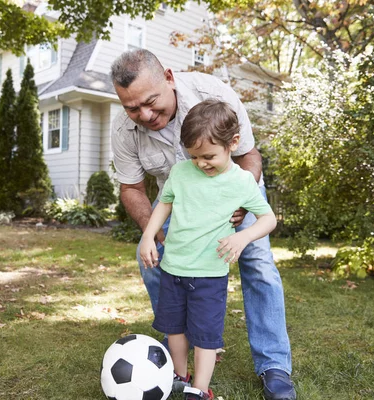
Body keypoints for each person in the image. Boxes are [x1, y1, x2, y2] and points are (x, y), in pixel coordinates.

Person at [110, 49, 296, 400]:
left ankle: (274, 365)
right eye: (132, 108)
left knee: (258, 266)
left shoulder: (214, 94)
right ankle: (179, 343)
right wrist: (157, 234)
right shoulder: (123, 128)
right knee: (149, 259)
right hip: (180, 202)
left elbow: (249, 155)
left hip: (234, 196)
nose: (145, 115)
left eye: (151, 102)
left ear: (168, 78)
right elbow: (132, 189)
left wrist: (240, 207)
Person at [140, 99, 278, 400]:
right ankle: (179, 375)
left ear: (234, 143)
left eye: (209, 156)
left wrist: (243, 238)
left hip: (209, 275)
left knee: (204, 336)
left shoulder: (241, 181)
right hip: (173, 268)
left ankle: (199, 389)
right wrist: (149, 235)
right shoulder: (181, 172)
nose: (201, 163)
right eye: (195, 156)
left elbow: (269, 219)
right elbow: (165, 203)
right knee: (173, 328)